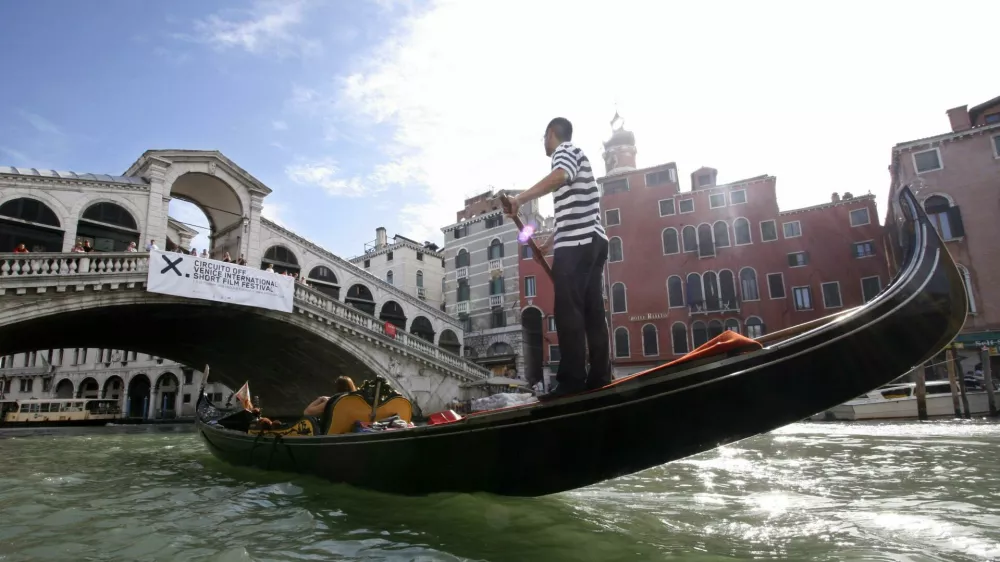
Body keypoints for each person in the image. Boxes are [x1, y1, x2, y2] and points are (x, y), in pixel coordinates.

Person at [503, 117, 611, 400]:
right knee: (592, 312)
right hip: (593, 240)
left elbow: (560, 176)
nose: (544, 142)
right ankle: (600, 377)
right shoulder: (579, 159)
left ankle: (572, 380)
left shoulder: (565, 151)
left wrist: (520, 199)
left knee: (568, 312)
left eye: (544, 136)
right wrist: (548, 246)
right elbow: (570, 216)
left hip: (578, 244)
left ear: (551, 133)